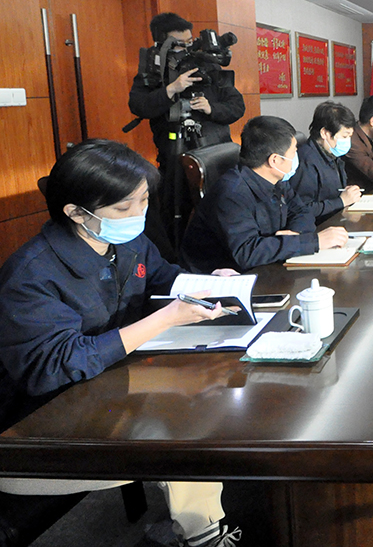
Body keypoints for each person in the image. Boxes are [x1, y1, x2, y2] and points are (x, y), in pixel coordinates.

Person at [0, 139, 242, 547]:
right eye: (123, 208)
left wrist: (204, 282)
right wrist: (166, 317)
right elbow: (54, 367)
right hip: (36, 429)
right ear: (77, 213)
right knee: (186, 432)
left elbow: (162, 277)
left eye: (144, 201)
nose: (138, 215)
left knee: (206, 399)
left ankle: (198, 527)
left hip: (109, 392)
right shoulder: (31, 275)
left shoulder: (125, 242)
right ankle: (203, 536)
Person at [128, 13, 246, 245]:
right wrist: (171, 89)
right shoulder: (153, 71)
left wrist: (211, 109)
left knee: (222, 209)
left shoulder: (207, 65)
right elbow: (139, 105)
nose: (187, 49)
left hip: (215, 155)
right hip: (175, 156)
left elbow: (237, 106)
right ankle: (174, 257)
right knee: (173, 212)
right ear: (162, 43)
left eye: (190, 42)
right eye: (180, 44)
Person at [180, 116, 348, 273]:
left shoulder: (277, 180)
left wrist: (294, 234)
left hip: (266, 266)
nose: (297, 156)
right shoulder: (232, 193)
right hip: (222, 278)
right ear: (275, 160)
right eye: (293, 152)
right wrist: (314, 242)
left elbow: (302, 211)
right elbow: (247, 252)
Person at [289, 101, 363, 225]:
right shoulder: (306, 161)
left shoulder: (332, 153)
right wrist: (341, 201)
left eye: (350, 136)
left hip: (336, 221)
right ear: (324, 133)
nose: (348, 141)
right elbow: (301, 208)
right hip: (317, 228)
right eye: (345, 136)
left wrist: (346, 193)